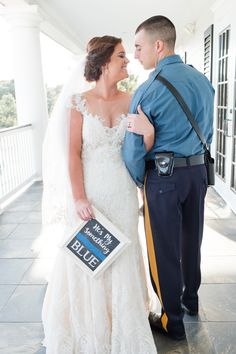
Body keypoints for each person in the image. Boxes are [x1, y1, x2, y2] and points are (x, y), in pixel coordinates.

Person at [41, 35, 157, 354]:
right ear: (104, 63)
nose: (128, 61)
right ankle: (89, 324)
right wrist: (78, 197)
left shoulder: (133, 99)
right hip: (89, 192)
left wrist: (148, 134)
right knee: (87, 254)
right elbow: (72, 154)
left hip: (121, 192)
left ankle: (123, 320)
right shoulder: (78, 102)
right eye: (122, 56)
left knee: (122, 251)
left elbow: (139, 152)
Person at [123, 16, 214, 341]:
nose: (135, 54)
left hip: (162, 179)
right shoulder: (203, 81)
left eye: (138, 46)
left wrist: (138, 180)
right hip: (198, 173)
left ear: (158, 45)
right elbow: (208, 131)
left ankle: (170, 320)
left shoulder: (147, 90)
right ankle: (191, 300)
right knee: (192, 240)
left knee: (163, 249)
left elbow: (133, 149)